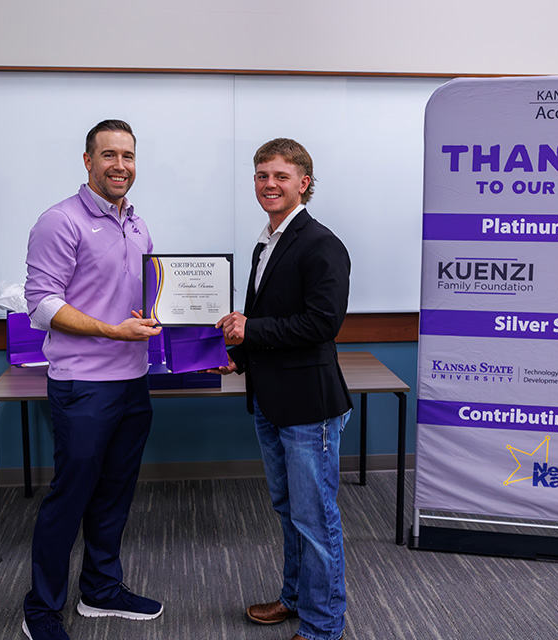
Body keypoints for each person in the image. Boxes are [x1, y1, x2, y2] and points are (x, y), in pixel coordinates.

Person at [21, 119, 163, 640]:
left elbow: (146, 299)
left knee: (115, 494)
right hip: (84, 386)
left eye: (127, 155)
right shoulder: (60, 221)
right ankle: (41, 606)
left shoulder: (137, 223)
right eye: (109, 155)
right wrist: (109, 330)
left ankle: (101, 590)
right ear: (88, 161)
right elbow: (41, 303)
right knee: (71, 496)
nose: (119, 165)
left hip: (133, 381)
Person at [214, 138, 352, 640]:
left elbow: (322, 324)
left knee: (316, 521)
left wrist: (250, 331)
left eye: (280, 177)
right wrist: (237, 357)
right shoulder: (266, 243)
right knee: (290, 512)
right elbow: (267, 318)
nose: (269, 185)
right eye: (261, 176)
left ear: (303, 183)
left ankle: (322, 626)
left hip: (309, 408)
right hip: (271, 402)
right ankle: (295, 599)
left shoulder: (321, 244)